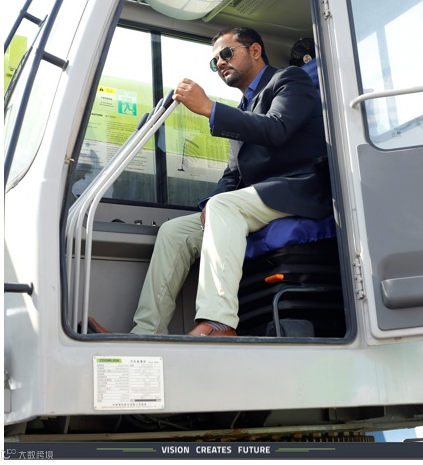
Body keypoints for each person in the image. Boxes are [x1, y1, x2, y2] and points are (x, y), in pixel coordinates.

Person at [130, 27, 332, 337]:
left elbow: (277, 128)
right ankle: (145, 333)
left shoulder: (289, 80)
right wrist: (209, 204)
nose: (221, 63)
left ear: (255, 51)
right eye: (215, 61)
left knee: (224, 207)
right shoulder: (241, 110)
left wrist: (210, 108)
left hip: (297, 190)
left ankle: (218, 322)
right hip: (258, 199)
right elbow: (234, 173)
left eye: (226, 53)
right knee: (174, 232)